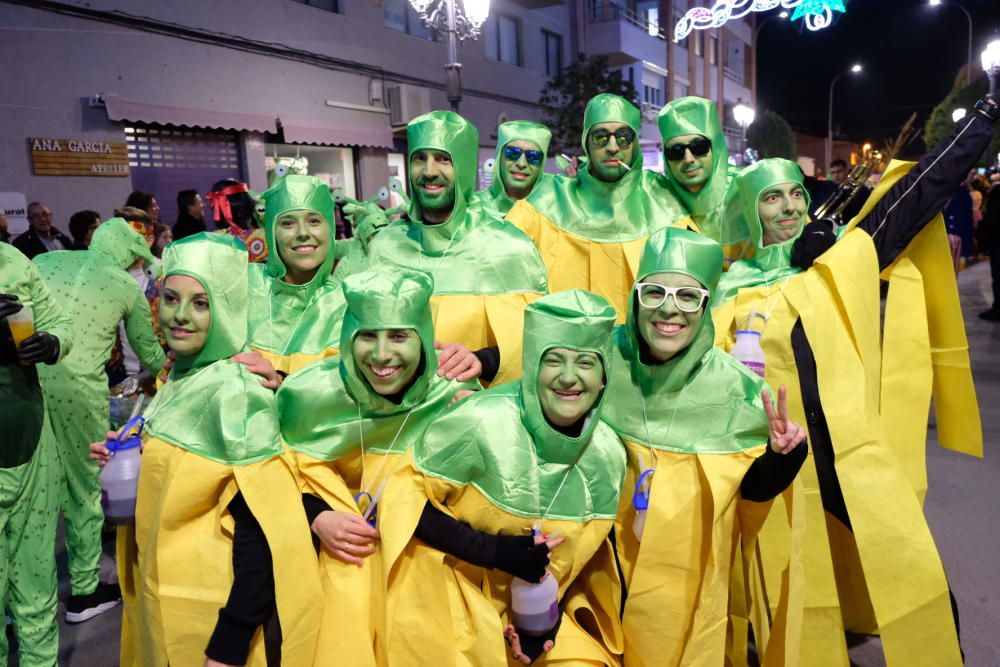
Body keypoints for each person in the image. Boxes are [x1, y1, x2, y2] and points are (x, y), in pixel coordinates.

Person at [712, 95, 997, 665]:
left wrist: (984, 120)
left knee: (913, 567)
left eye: (797, 192)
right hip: (781, 465)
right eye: (772, 197)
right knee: (796, 592)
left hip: (852, 455)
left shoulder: (840, 254)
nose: (790, 207)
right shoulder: (726, 289)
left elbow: (916, 197)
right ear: (750, 210)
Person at [90, 233, 322, 666]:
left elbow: (264, 532)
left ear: (228, 309)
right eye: (172, 299)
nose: (179, 316)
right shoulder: (181, 377)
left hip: (205, 615)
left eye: (201, 303)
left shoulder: (236, 392)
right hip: (160, 595)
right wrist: (136, 453)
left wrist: (228, 648)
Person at [380, 289, 626, 665]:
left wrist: (541, 629)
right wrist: (492, 552)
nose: (569, 378)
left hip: (532, 613)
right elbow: (401, 499)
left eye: (587, 363)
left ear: (605, 375)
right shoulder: (480, 419)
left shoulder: (608, 456)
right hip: (447, 594)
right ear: (531, 364)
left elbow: (575, 568)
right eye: (553, 360)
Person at [598, 227, 806, 665]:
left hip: (681, 592)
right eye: (654, 292)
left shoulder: (741, 392)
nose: (669, 309)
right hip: (597, 574)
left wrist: (782, 458)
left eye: (688, 297)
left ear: (707, 306)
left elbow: (749, 498)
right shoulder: (601, 359)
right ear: (635, 299)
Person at [277, 266, 479, 665]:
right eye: (367, 335)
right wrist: (315, 516)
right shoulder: (308, 395)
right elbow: (268, 478)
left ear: (423, 335)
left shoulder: (456, 395)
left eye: (400, 335)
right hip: (337, 575)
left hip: (429, 581)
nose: (382, 355)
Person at [33, 218, 166, 623]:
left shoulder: (44, 259)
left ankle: (15, 599)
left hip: (20, 383)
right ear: (128, 255)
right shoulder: (127, 286)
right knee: (84, 489)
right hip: (77, 391)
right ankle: (85, 592)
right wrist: (173, 377)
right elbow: (149, 352)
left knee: (28, 492)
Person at [368, 110, 549, 384]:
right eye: (420, 158)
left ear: (463, 167)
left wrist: (482, 360)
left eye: (443, 159)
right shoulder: (385, 246)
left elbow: (540, 338)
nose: (429, 171)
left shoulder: (510, 247)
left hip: (479, 411)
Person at [505, 94, 689, 321]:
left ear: (634, 144)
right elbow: (505, 275)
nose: (613, 147)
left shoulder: (663, 199)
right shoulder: (548, 199)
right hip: (566, 349)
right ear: (587, 143)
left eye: (623, 138)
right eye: (601, 137)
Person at [0, 245, 72, 667]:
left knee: (37, 586)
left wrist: (50, 342)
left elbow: (60, 321)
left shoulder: (12, 260)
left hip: (32, 444)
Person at [248, 174, 345, 376]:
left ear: (331, 229)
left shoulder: (347, 305)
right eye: (288, 223)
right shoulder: (244, 287)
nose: (302, 233)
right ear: (271, 232)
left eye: (314, 221)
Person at [656, 97, 744, 253]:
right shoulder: (657, 198)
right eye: (676, 151)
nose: (688, 159)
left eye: (699, 147)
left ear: (715, 146)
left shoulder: (748, 189)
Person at [474, 120, 553, 217]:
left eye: (533, 156)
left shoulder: (552, 214)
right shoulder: (473, 209)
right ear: (499, 157)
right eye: (513, 153)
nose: (521, 163)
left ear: (541, 164)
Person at [979, 174, 1000, 321]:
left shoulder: (997, 193)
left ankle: (998, 309)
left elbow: (990, 219)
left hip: (997, 242)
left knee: (998, 277)